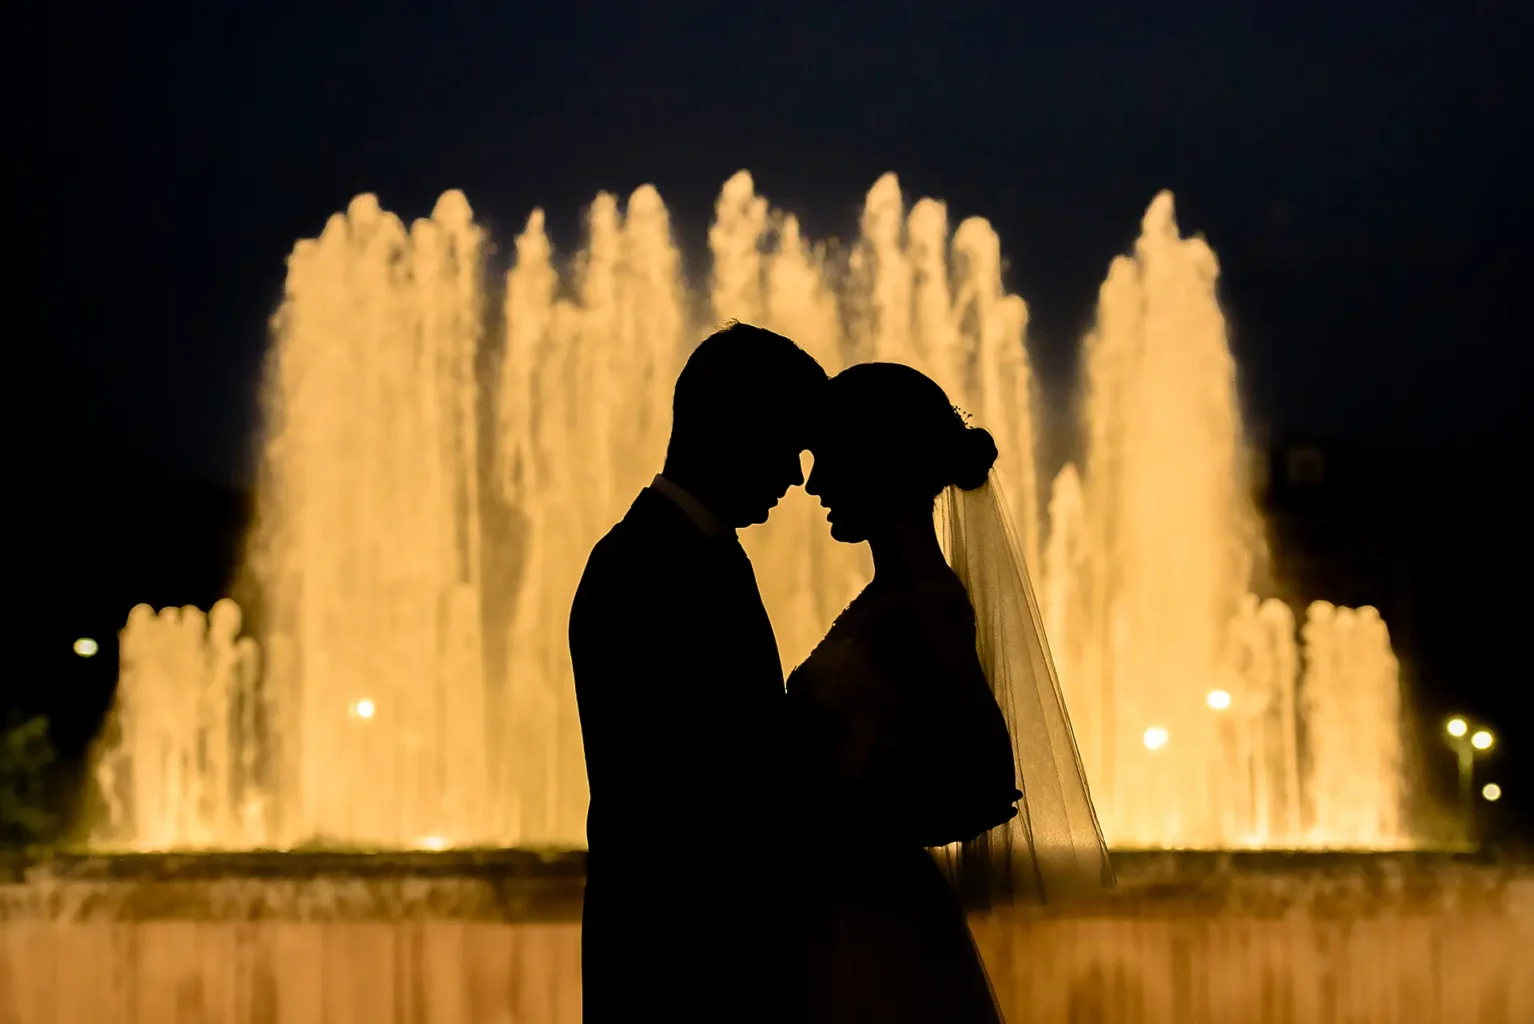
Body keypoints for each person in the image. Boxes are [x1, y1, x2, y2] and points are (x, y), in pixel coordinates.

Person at [788, 361, 1114, 1023]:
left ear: (876, 465)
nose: (814, 483)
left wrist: (850, 816)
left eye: (829, 459)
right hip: (856, 905)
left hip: (873, 914)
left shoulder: (926, 604)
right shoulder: (897, 599)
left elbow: (989, 775)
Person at [568, 321, 827, 1022]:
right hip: (681, 969)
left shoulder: (676, 555)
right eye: (789, 443)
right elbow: (693, 791)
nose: (798, 476)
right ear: (736, 427)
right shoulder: (644, 567)